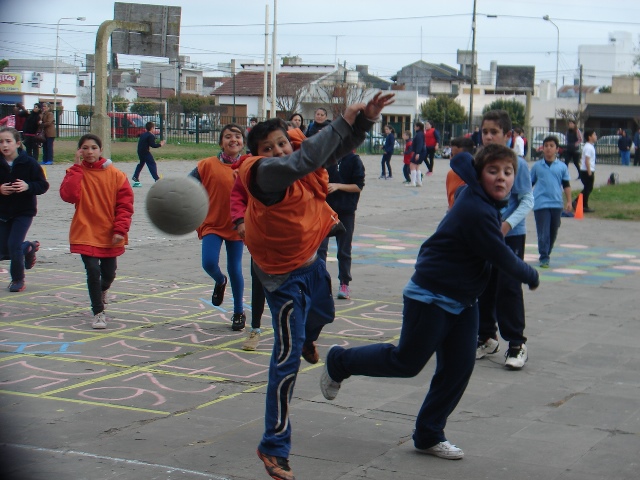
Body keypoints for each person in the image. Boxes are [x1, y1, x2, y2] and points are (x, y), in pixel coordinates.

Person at [320, 143, 539, 463]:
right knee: (406, 362)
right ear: (480, 175)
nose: (502, 179)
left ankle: (428, 433)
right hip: (432, 296)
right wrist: (530, 274)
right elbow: (501, 256)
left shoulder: (484, 200)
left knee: (459, 368)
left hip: (463, 300)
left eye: (508, 172)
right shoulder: (477, 209)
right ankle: (340, 362)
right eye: (493, 171)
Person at [237, 92, 394, 480]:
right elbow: (303, 159)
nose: (277, 150)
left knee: (323, 312)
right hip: (282, 277)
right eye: (267, 147)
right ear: (257, 153)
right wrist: (342, 119)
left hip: (311, 260)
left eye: (281, 143)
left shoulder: (298, 155)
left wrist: (364, 122)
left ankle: (309, 337)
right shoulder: (262, 174)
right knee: (286, 358)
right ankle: (273, 446)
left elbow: (333, 152)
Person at [476, 110, 534, 370]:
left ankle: (516, 344)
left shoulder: (517, 164)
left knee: (508, 287)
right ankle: (486, 336)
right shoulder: (479, 161)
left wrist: (506, 224)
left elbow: (527, 200)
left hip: (510, 236)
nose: (488, 137)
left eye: (494, 132)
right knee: (483, 285)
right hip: (486, 235)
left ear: (508, 135)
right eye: (485, 131)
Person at [59, 134, 134, 329]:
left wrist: (120, 228)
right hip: (85, 230)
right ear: (79, 151)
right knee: (92, 270)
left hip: (109, 232)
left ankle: (102, 291)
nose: (89, 152)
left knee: (108, 274)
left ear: (101, 150)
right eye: (84, 148)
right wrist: (76, 167)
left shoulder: (116, 175)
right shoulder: (75, 172)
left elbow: (125, 206)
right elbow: (68, 196)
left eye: (93, 147)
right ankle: (98, 312)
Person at [189, 124, 246, 331]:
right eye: (228, 136)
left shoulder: (247, 166)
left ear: (243, 142)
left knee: (236, 268)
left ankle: (239, 311)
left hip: (237, 225)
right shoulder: (206, 165)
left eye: (238, 136)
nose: (233, 140)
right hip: (212, 223)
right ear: (221, 142)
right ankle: (220, 280)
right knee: (209, 262)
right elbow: (188, 186)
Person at [0, 127, 49, 292]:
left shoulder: (29, 163)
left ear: (18, 143)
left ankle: (17, 279)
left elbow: (43, 185)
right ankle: (29, 247)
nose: (5, 145)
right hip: (3, 212)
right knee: (4, 249)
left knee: (14, 245)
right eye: (1, 142)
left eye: (8, 141)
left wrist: (28, 186)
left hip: (24, 211)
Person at [318, 149, 365, 300]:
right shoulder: (327, 159)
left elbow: (358, 185)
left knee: (344, 250)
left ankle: (344, 283)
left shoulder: (354, 160)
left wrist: (338, 186)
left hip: (346, 211)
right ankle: (320, 283)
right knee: (320, 249)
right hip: (326, 210)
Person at [530, 136, 572, 268]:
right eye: (546, 145)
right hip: (541, 203)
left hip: (556, 203)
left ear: (557, 149)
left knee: (553, 231)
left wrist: (569, 201)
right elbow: (530, 183)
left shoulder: (562, 167)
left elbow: (566, 184)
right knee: (543, 231)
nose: (548, 148)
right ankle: (544, 256)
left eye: (551, 146)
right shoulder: (537, 166)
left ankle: (547, 251)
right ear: (543, 149)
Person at [132, 122, 165, 187]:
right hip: (145, 152)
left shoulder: (143, 134)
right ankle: (156, 178)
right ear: (152, 128)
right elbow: (153, 145)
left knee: (141, 164)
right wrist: (160, 144)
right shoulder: (151, 135)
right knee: (152, 164)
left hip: (140, 151)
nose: (154, 129)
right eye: (154, 128)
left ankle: (135, 176)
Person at [445, 137, 474, 210]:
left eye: (457, 156)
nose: (452, 159)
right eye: (451, 155)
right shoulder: (451, 174)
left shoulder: (475, 175)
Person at [575, 129, 597, 213]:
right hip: (586, 170)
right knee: (588, 188)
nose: (595, 136)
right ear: (589, 137)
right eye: (594, 135)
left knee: (588, 188)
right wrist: (589, 172)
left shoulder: (590, 146)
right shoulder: (588, 147)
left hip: (588, 170)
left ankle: (578, 202)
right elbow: (587, 160)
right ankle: (583, 205)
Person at [407, 122, 425, 187]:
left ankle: (413, 182)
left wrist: (417, 153)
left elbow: (419, 144)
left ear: (418, 127)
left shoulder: (419, 134)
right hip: (422, 151)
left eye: (415, 126)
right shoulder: (421, 133)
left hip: (419, 152)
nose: (414, 127)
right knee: (417, 167)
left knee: (412, 165)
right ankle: (419, 182)